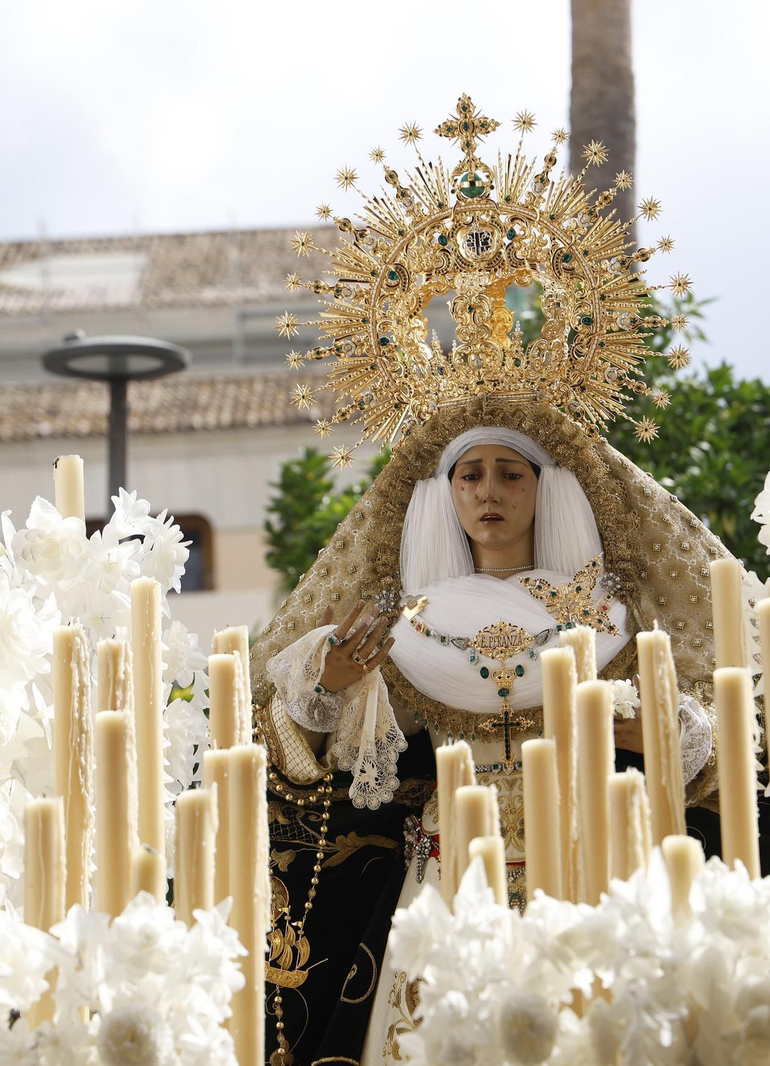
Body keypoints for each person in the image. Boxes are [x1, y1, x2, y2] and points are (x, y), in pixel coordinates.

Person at [251, 404, 731, 1064]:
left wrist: (666, 737)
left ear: (545, 488)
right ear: (446, 493)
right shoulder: (410, 625)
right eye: (469, 475)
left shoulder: (605, 616)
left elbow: (699, 728)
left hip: (582, 860)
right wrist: (326, 682)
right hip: (449, 871)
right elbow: (309, 752)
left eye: (510, 474)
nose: (488, 493)